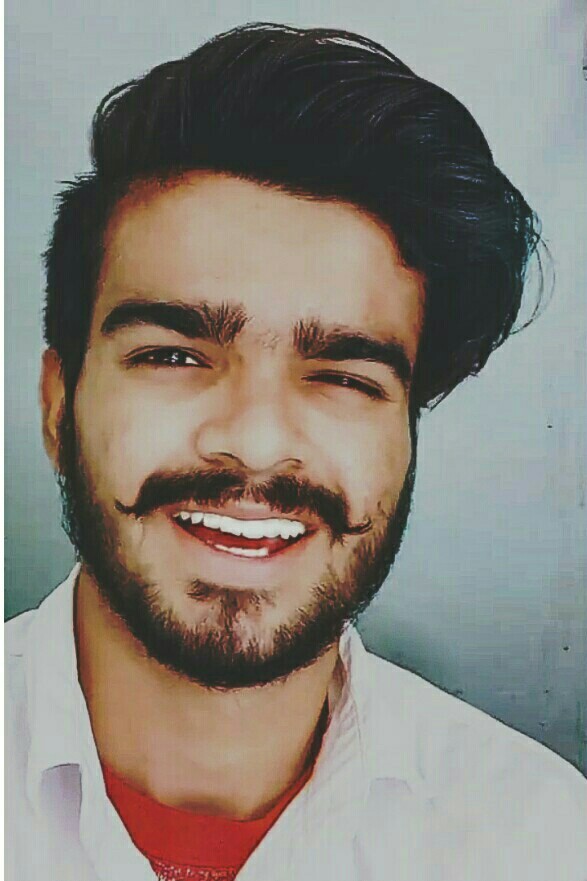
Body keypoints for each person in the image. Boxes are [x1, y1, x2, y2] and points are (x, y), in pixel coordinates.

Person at [5, 22, 586, 881]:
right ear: (58, 404)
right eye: (175, 355)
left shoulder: (540, 842)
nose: (257, 440)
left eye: (343, 377)